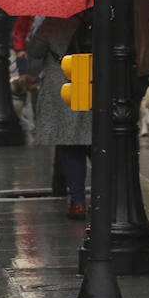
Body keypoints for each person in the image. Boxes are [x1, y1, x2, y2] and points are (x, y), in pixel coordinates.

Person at [26, 12, 92, 219]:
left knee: (71, 144)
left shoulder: (53, 21)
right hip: (87, 77)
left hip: (62, 80)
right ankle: (104, 201)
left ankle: (78, 203)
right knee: (94, 143)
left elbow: (34, 51)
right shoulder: (95, 19)